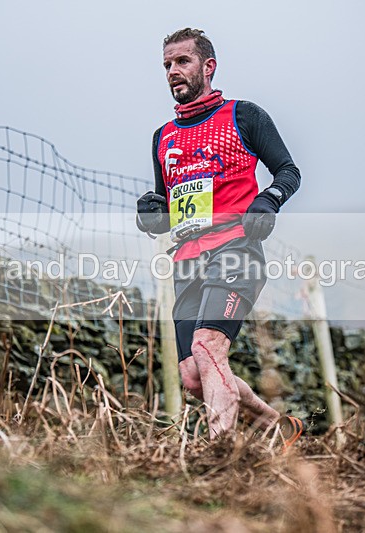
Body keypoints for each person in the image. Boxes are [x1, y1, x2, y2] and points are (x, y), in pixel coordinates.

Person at [136, 28, 303, 445]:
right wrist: (150, 214)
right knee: (194, 375)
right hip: (186, 259)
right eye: (167, 65)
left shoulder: (243, 115)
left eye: (182, 62)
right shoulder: (163, 138)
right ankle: (276, 426)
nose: (173, 72)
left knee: (210, 348)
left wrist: (270, 200)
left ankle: (220, 455)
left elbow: (288, 171)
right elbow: (167, 210)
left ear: (208, 67)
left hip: (236, 249)